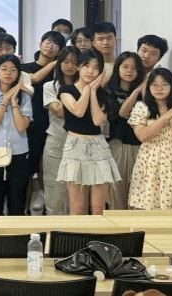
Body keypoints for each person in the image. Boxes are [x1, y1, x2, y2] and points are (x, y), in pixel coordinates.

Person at [57, 49, 119, 215]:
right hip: (75, 146)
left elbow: (98, 120)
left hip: (98, 146)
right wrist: (87, 89)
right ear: (78, 67)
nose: (90, 71)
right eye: (86, 66)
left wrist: (92, 92)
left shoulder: (104, 95)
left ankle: (98, 233)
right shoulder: (66, 90)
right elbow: (78, 111)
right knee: (77, 208)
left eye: (95, 68)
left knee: (98, 208)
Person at [127, 68, 172, 210]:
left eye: (164, 84)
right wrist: (165, 117)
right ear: (149, 87)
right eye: (155, 85)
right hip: (148, 162)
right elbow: (143, 136)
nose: (159, 88)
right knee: (146, 207)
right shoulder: (142, 107)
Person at [0, 54, 32, 216]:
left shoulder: (25, 96)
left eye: (13, 70)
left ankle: (16, 232)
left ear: (18, 74)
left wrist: (14, 102)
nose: (8, 73)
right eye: (4, 69)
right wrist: (5, 99)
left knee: (17, 202)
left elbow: (21, 127)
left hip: (19, 152)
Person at [21, 31, 66, 212]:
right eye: (48, 41)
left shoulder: (62, 72)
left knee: (50, 170)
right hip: (30, 124)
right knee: (27, 170)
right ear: (40, 43)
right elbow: (32, 80)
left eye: (56, 44)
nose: (50, 46)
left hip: (54, 126)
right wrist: (54, 63)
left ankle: (49, 209)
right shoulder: (26, 67)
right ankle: (25, 211)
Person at [105, 51, 146, 210]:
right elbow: (122, 113)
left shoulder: (145, 93)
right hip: (119, 146)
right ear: (118, 68)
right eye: (125, 67)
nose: (130, 71)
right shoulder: (109, 91)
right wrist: (136, 92)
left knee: (140, 194)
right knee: (117, 192)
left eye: (134, 68)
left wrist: (142, 90)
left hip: (141, 147)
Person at [42, 46, 79, 215]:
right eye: (66, 62)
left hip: (80, 143)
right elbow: (58, 111)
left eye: (74, 62)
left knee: (77, 191)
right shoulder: (50, 86)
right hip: (57, 140)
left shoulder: (85, 86)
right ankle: (53, 228)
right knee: (54, 189)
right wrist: (79, 106)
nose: (70, 66)